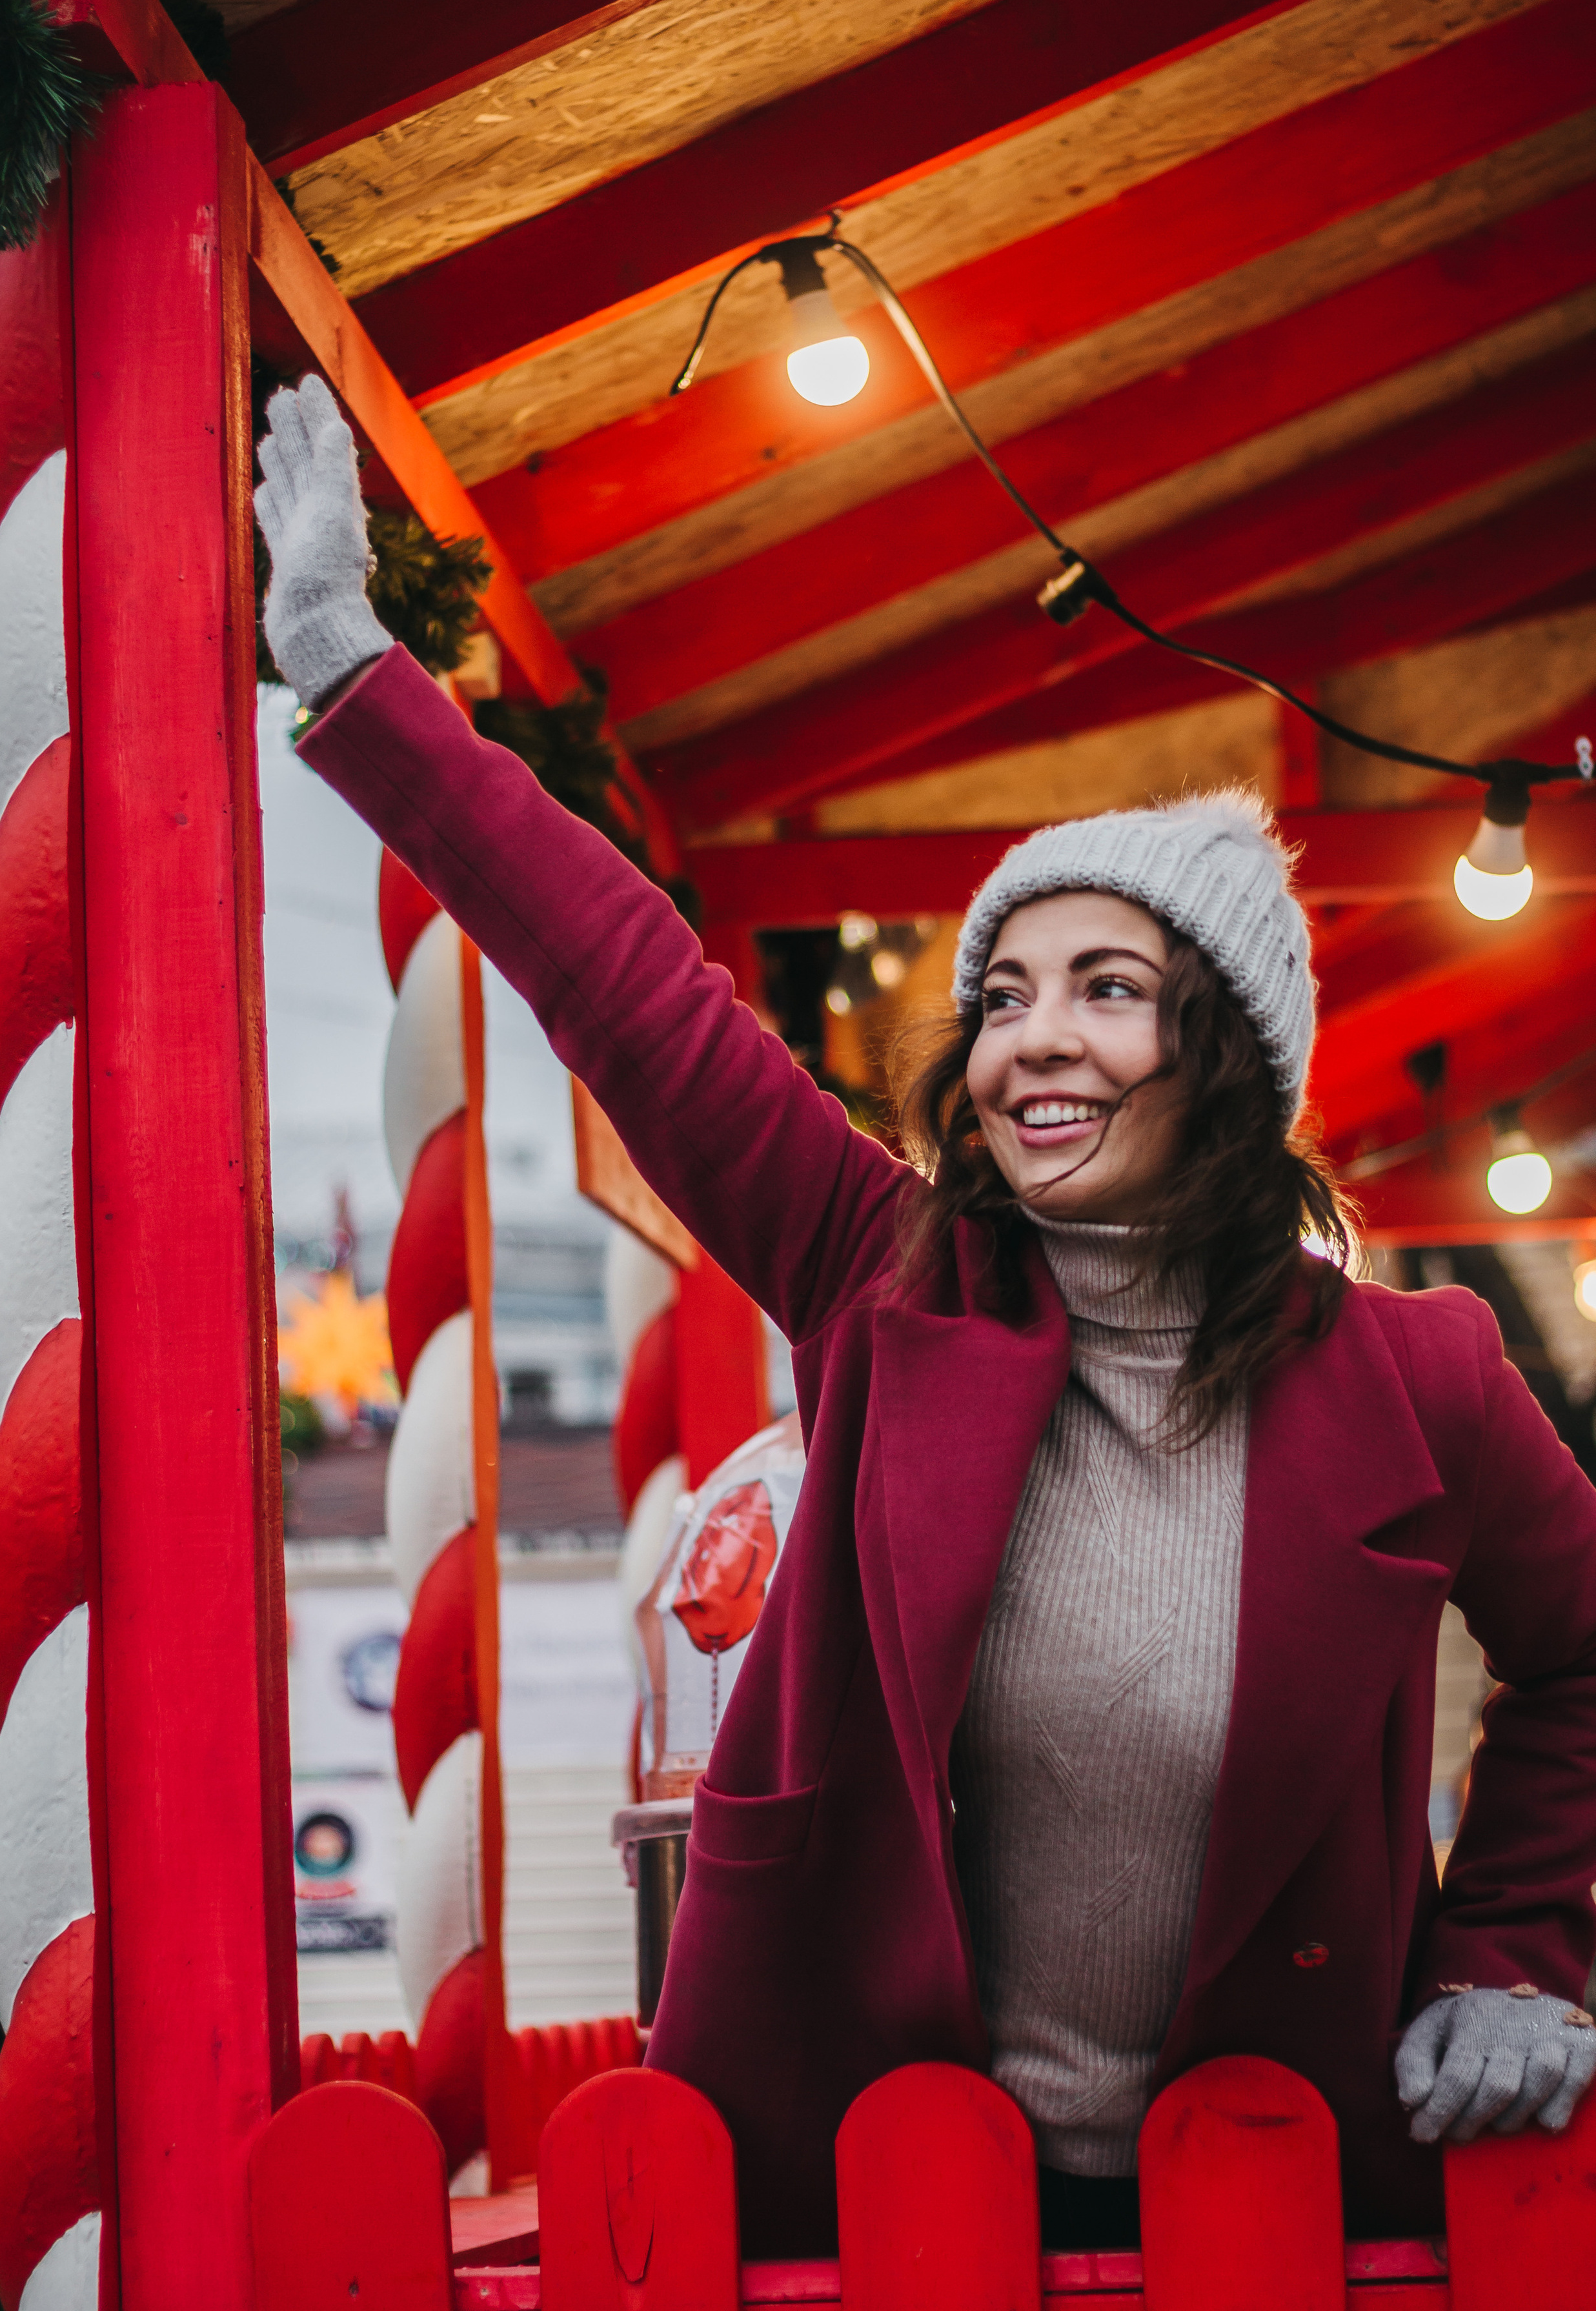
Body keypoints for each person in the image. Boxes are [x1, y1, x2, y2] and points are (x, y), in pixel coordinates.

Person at [256, 376, 1596, 2252]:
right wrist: (352, 672)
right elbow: (630, 985)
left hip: (1279, 2199)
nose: (1032, 1038)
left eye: (1107, 989)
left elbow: (1587, 1660)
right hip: (873, 2188)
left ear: (1228, 1064)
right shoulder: (879, 1276)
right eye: (1006, 995)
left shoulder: (1425, 1379)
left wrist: (1517, 1954)